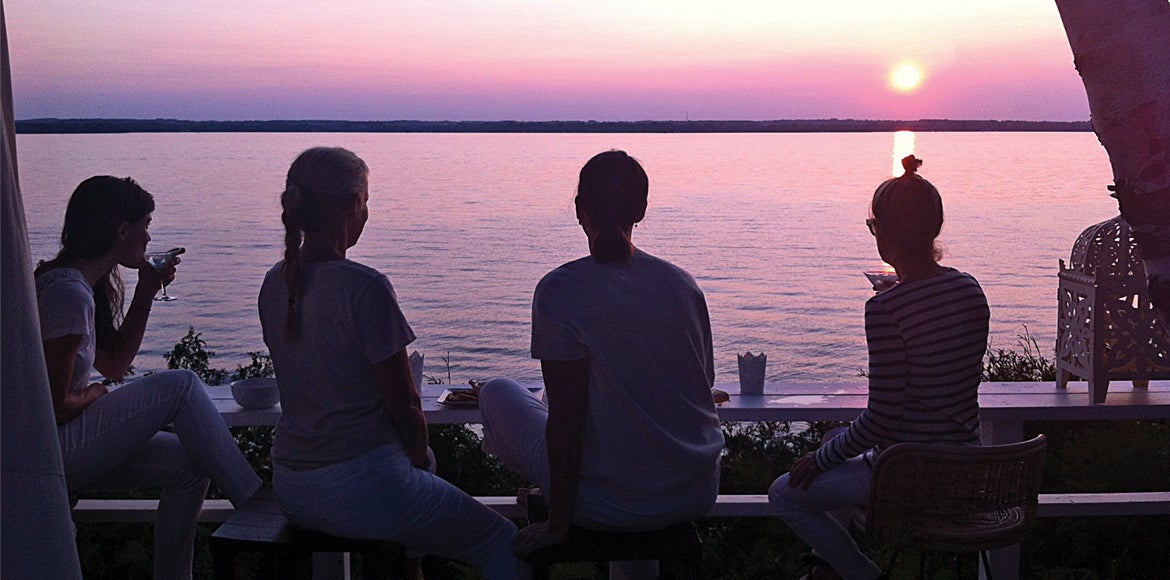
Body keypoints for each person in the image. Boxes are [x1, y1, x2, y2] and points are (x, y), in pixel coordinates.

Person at [258, 147, 525, 579]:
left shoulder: (274, 283)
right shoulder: (365, 288)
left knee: (418, 496)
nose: (367, 211)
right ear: (350, 206)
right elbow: (405, 407)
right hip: (358, 486)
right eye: (366, 200)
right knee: (503, 545)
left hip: (292, 483)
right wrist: (419, 460)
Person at [479, 150, 725, 579]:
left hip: (605, 502)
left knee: (498, 391)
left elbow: (568, 422)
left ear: (579, 209)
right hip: (693, 489)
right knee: (571, 407)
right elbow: (704, 382)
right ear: (642, 210)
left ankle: (549, 490)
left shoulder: (560, 290)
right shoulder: (682, 284)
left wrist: (558, 523)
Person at [768, 156, 991, 580]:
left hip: (911, 476)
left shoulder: (885, 309)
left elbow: (882, 418)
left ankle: (861, 574)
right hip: (967, 469)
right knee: (837, 439)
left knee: (784, 493)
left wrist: (818, 459)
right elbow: (944, 370)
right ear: (934, 228)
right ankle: (826, 571)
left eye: (874, 227)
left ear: (885, 234)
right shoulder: (969, 288)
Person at [35, 176, 262, 580]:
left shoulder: (80, 285)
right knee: (182, 385)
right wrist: (94, 395)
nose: (149, 234)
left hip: (58, 447)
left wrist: (146, 292)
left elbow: (115, 364)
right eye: (146, 223)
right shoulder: (66, 294)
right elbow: (55, 405)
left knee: (190, 464)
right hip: (45, 453)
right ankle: (260, 507)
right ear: (122, 231)